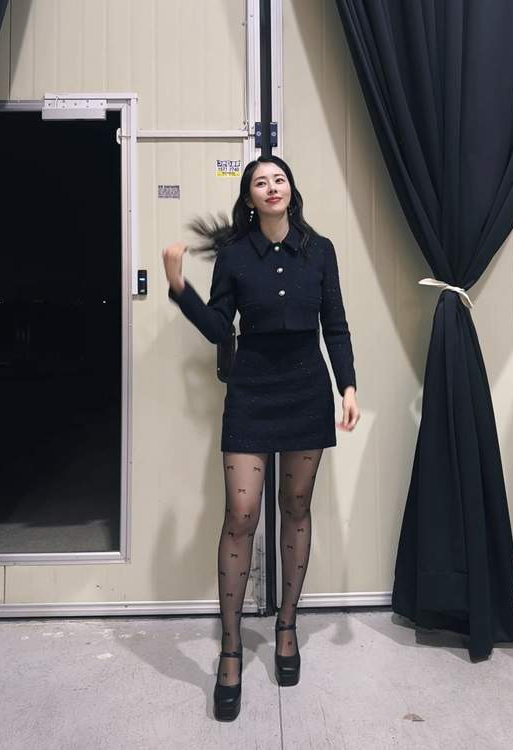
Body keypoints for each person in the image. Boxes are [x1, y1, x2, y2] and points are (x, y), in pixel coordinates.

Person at [162, 155, 360, 721]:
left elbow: (335, 324)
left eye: (279, 179)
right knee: (242, 513)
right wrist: (179, 287)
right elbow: (219, 328)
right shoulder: (233, 255)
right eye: (260, 182)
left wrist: (347, 386)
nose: (272, 187)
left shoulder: (319, 251)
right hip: (251, 391)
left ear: (290, 190)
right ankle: (230, 648)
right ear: (249, 197)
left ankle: (287, 626)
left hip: (306, 390)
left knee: (295, 506)